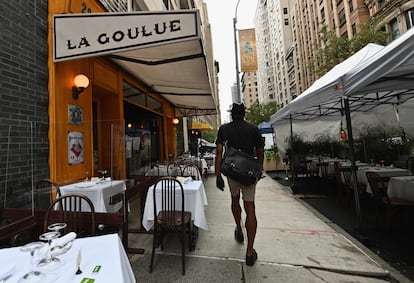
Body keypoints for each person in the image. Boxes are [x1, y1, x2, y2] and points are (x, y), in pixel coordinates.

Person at [215, 102, 264, 266]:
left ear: (231, 114)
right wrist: (258, 169)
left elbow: (219, 152)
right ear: (244, 114)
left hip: (231, 171)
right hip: (249, 173)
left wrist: (217, 175)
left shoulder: (224, 129)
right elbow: (260, 152)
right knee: (250, 207)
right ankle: (250, 252)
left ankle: (239, 229)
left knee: (234, 200)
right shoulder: (253, 129)